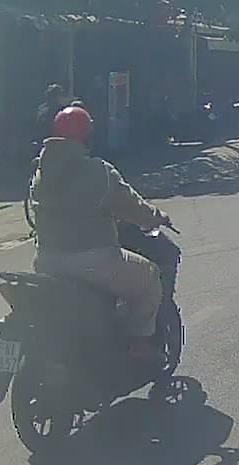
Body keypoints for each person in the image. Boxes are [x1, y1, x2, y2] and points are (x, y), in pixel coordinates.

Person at [27, 106, 168, 362]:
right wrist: (156, 217)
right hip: (93, 262)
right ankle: (139, 344)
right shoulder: (98, 172)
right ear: (87, 136)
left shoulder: (40, 172)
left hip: (47, 261)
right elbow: (133, 207)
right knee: (149, 278)